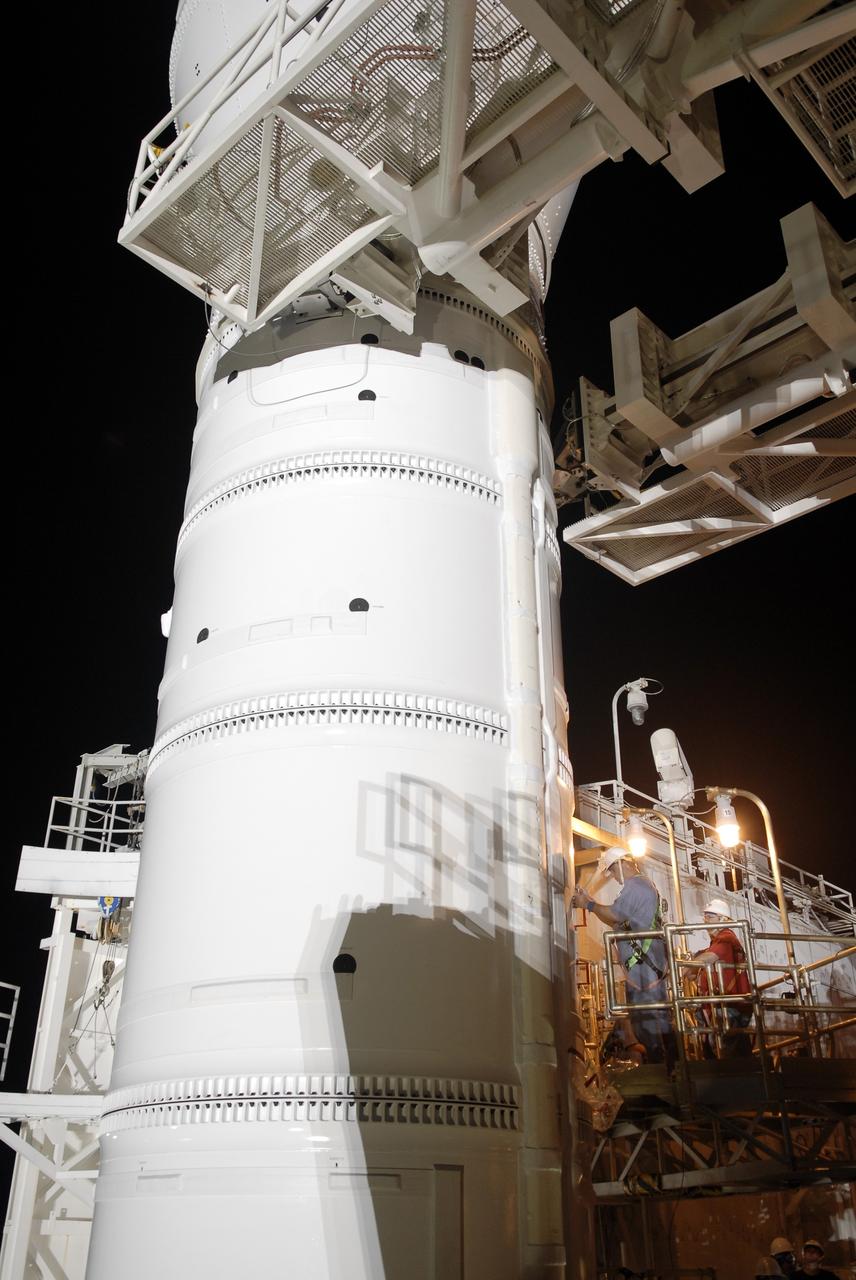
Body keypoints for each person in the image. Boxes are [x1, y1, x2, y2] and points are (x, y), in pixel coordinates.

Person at [573, 849, 674, 1066]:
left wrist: (588, 905)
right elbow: (618, 920)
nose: (614, 877)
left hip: (644, 967)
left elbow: (615, 915)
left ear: (621, 864)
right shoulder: (643, 886)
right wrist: (591, 902)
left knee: (647, 1020)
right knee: (650, 1018)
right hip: (646, 964)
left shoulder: (635, 886)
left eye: (612, 871)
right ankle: (666, 1066)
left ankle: (659, 1069)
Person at [692, 897, 753, 1058]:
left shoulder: (726, 938)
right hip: (727, 1005)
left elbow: (709, 958)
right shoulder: (718, 941)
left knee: (728, 1052)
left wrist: (685, 966)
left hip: (729, 1005)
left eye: (710, 917)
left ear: (723, 919)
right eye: (705, 916)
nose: (706, 921)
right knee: (733, 1049)